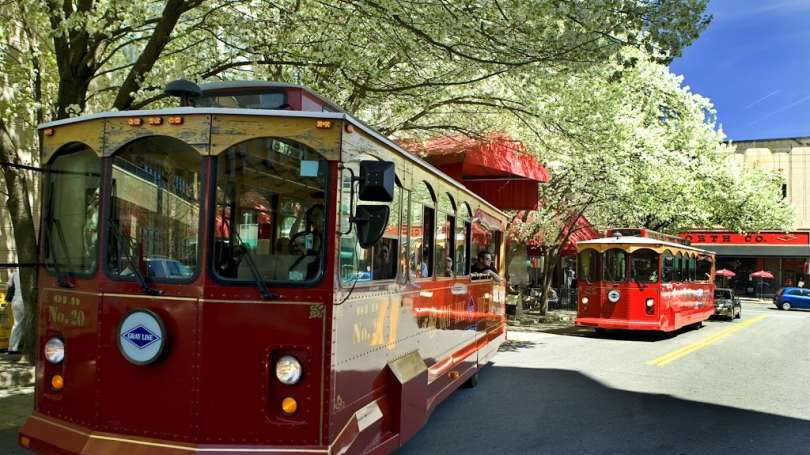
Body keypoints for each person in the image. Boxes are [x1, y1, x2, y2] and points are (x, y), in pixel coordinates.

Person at [6, 269, 24, 354]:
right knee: (23, 324)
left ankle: (12, 347)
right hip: (23, 301)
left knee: (17, 324)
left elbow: (8, 285)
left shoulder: (14, 274)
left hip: (15, 300)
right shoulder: (30, 274)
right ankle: (17, 347)